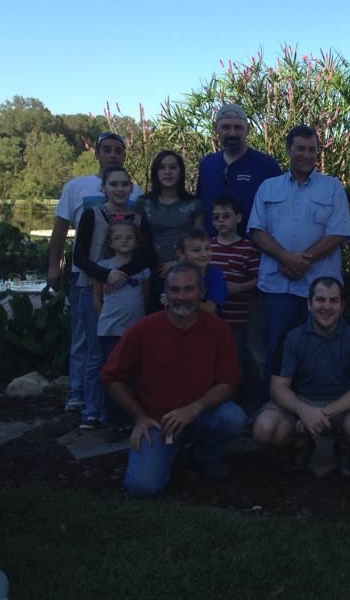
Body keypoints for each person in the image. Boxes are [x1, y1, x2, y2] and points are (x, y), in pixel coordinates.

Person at [102, 263, 245, 497]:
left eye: (189, 289)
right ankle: (166, 452)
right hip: (158, 422)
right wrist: (139, 417)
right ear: (166, 293)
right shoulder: (144, 329)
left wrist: (194, 408)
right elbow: (111, 377)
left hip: (200, 415)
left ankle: (202, 457)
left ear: (201, 292)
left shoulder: (219, 329)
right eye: (175, 290)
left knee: (233, 417)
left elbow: (230, 382)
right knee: (142, 487)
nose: (182, 296)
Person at [247, 125, 350, 398]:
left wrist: (301, 261)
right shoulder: (268, 187)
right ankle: (272, 408)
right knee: (276, 350)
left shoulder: (332, 188)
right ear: (289, 150)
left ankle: (318, 408)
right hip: (277, 288)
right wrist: (286, 258)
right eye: (300, 149)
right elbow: (257, 230)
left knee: (320, 352)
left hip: (320, 291)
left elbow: (339, 232)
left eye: (312, 150)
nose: (306, 155)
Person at [46, 131, 144, 410]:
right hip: (86, 273)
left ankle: (111, 397)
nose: (112, 154)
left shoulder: (136, 191)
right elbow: (61, 228)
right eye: (107, 149)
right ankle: (77, 392)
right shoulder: (77, 186)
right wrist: (54, 266)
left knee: (115, 335)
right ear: (97, 153)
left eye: (118, 150)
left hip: (124, 276)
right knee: (83, 336)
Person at [252, 277, 350, 477]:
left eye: (333, 301)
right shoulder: (292, 332)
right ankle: (300, 445)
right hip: (301, 403)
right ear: (309, 304)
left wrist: (324, 413)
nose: (326, 307)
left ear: (342, 306)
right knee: (265, 428)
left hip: (344, 405)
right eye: (320, 300)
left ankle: (344, 448)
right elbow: (277, 387)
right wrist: (303, 410)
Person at [72, 166, 153, 430]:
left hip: (128, 291)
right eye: (113, 184)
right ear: (104, 188)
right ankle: (92, 410)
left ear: (131, 188)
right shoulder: (92, 215)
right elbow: (79, 256)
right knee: (96, 354)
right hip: (94, 288)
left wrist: (122, 273)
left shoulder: (138, 219)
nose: (119, 189)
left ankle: (124, 412)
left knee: (127, 358)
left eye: (124, 184)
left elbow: (146, 257)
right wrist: (106, 275)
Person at [93, 221, 151, 441]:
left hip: (135, 331)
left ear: (136, 242)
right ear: (110, 242)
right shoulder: (102, 267)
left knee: (134, 376)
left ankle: (134, 419)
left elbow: (145, 299)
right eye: (118, 238)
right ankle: (114, 422)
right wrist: (106, 320)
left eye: (129, 237)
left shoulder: (143, 270)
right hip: (110, 331)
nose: (124, 241)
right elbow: (96, 300)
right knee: (112, 376)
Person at [134, 150, 204, 311]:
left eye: (173, 167)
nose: (167, 172)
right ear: (155, 172)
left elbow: (199, 243)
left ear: (181, 171)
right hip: (149, 273)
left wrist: (177, 263)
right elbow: (135, 240)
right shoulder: (142, 203)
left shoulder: (194, 204)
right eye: (162, 167)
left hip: (185, 272)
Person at [196, 103, 282, 236]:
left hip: (253, 246)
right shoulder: (207, 164)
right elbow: (200, 210)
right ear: (216, 128)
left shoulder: (267, 166)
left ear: (248, 129)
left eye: (238, 127)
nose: (232, 133)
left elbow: (278, 213)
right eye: (226, 127)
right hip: (212, 246)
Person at [209, 196, 261, 403]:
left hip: (238, 320)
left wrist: (239, 287)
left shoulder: (248, 248)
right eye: (216, 217)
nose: (221, 221)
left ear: (238, 218)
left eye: (226, 216)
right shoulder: (208, 247)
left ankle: (239, 403)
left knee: (237, 362)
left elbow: (259, 280)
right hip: (211, 320)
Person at [173, 228, 228, 314]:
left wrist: (181, 299)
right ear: (181, 254)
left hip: (207, 321)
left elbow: (211, 309)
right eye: (196, 250)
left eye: (207, 248)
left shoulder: (216, 275)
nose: (204, 254)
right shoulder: (174, 275)